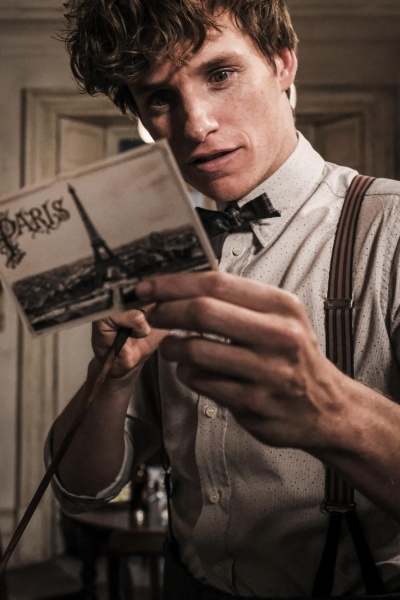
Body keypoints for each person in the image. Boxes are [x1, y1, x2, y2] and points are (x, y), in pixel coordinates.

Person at [47, 0, 400, 597]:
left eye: (220, 74)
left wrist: (330, 407)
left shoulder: (392, 226)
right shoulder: (156, 250)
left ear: (283, 63)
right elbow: (82, 490)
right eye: (160, 98)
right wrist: (110, 380)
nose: (196, 125)